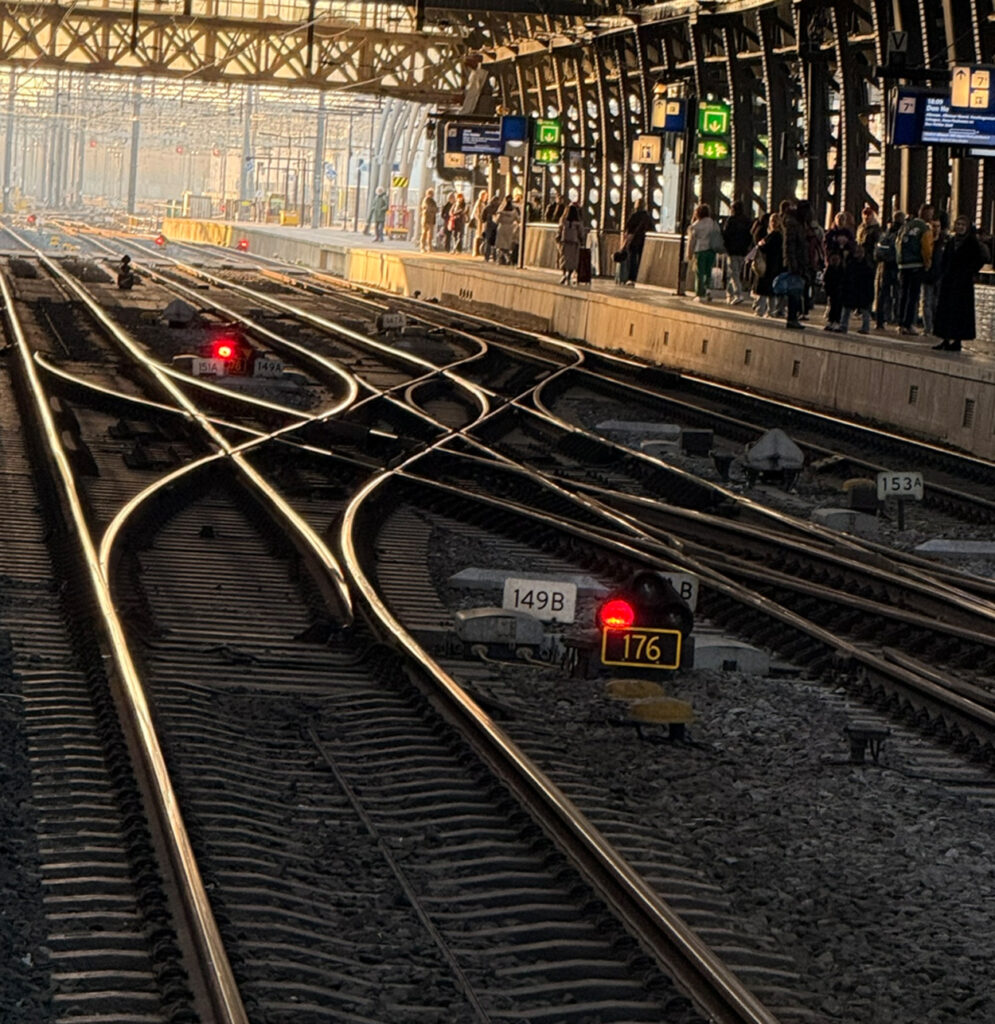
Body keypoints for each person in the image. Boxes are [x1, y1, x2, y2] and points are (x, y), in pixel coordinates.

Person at [932, 214, 991, 351]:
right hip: (949, 280)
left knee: (960, 311)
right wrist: (943, 272)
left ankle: (957, 340)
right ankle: (945, 338)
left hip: (963, 282)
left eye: (963, 225)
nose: (960, 227)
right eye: (958, 224)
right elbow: (945, 258)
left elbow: (979, 259)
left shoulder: (972, 243)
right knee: (946, 310)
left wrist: (969, 271)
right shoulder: (952, 241)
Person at [896, 203, 934, 335]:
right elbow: (926, 248)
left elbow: (897, 243)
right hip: (916, 264)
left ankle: (900, 323)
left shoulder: (906, 226)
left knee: (903, 294)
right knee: (913, 296)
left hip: (903, 264)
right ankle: (909, 324)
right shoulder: (924, 228)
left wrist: (899, 261)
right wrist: (927, 263)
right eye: (930, 213)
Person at [836, 244, 875, 334]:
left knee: (864, 310)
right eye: (857, 252)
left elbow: (869, 281)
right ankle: (843, 326)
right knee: (847, 308)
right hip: (851, 290)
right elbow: (845, 278)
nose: (859, 254)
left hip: (862, 290)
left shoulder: (867, 266)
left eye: (861, 252)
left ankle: (865, 328)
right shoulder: (851, 264)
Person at [874, 212, 904, 328]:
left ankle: (880, 320)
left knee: (882, 294)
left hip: (885, 265)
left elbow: (878, 251)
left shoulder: (885, 235)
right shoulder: (902, 233)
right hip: (897, 266)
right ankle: (898, 319)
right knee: (898, 294)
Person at [781, 207, 808, 329]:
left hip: (797, 262)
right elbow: (790, 246)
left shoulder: (795, 225)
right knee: (794, 291)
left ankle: (793, 317)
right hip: (795, 263)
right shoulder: (793, 226)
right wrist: (793, 263)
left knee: (796, 291)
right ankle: (792, 318)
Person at [752, 212, 783, 317]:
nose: (773, 223)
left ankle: (761, 310)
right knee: (771, 290)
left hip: (769, 264)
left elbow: (766, 247)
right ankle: (771, 311)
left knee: (763, 289)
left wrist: (760, 245)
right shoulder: (779, 235)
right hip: (774, 265)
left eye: (775, 221)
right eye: (772, 221)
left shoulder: (774, 236)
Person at [688, 202, 721, 302]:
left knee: (699, 272)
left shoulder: (695, 225)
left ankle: (700, 293)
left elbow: (692, 240)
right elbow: (718, 234)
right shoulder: (713, 223)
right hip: (711, 250)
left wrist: (689, 253)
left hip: (700, 250)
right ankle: (708, 289)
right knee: (708, 271)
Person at [921, 215, 947, 336]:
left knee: (937, 302)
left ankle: (937, 326)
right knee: (927, 302)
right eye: (934, 226)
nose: (936, 229)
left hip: (940, 275)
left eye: (938, 226)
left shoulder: (944, 242)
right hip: (928, 275)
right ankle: (928, 327)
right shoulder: (927, 240)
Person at [723, 201, 752, 304]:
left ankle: (738, 294)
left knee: (733, 273)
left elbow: (725, 234)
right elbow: (750, 236)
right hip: (743, 251)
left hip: (732, 250)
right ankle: (729, 294)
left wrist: (726, 247)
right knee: (736, 272)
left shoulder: (731, 220)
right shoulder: (747, 221)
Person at [621, 198, 654, 286]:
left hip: (633, 241)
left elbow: (627, 229)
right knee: (640, 259)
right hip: (643, 241)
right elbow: (651, 228)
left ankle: (631, 278)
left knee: (632, 260)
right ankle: (640, 277)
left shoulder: (634, 216)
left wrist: (624, 241)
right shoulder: (647, 217)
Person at [556, 204, 585, 285]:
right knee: (573, 260)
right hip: (574, 244)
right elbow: (581, 233)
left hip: (564, 242)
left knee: (563, 259)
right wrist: (582, 241)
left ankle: (563, 274)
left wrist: (558, 239)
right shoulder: (578, 223)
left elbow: (559, 230)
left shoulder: (563, 221)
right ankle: (569, 275)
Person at [822, 249, 845, 329]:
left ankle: (836, 321)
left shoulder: (842, 270)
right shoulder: (829, 270)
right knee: (832, 306)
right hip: (832, 291)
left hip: (839, 291)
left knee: (838, 306)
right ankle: (831, 321)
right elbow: (826, 280)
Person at [494, 196, 520, 265]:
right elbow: (518, 219)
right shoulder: (514, 211)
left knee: (501, 246)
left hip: (502, 228)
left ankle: (503, 259)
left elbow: (497, 220)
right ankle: (507, 258)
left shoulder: (500, 211)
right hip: (510, 228)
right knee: (507, 245)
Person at [470, 190, 489, 256]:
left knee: (480, 236)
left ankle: (479, 251)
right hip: (479, 222)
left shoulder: (484, 203)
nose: (486, 197)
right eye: (484, 196)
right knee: (478, 236)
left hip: (482, 221)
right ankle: (475, 251)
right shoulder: (479, 202)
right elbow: (477, 212)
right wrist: (479, 219)